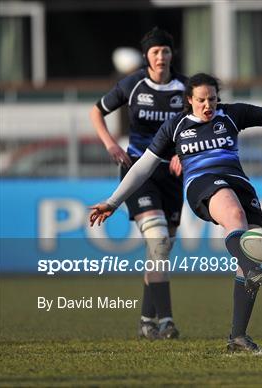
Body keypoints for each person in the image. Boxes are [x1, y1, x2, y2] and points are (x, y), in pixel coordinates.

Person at [89, 72, 262, 352]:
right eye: (201, 100)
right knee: (233, 216)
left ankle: (238, 337)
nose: (208, 105)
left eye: (213, 99)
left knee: (249, 244)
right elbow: (143, 166)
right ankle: (252, 269)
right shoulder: (175, 126)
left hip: (240, 183)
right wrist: (114, 201)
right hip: (202, 183)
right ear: (189, 100)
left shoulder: (232, 115)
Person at [89, 27, 187, 340]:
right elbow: (96, 111)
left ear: (172, 55)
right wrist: (110, 144)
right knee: (157, 240)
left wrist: (185, 153)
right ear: (146, 56)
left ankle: (147, 320)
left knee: (161, 249)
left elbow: (200, 124)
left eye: (166, 51)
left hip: (172, 175)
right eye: (155, 51)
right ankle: (167, 321)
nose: (161, 56)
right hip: (138, 172)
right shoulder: (133, 84)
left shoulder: (185, 88)